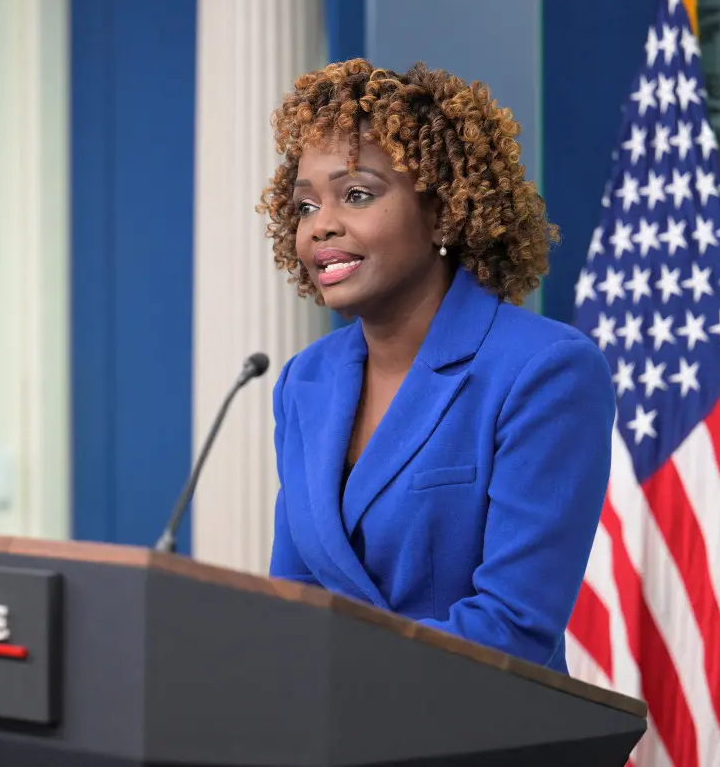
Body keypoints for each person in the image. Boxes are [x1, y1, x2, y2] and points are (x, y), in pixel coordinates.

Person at [258, 59, 616, 675]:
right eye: (306, 206)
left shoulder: (545, 371)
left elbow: (511, 628)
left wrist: (327, 672)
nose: (322, 227)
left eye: (357, 194)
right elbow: (295, 599)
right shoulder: (303, 382)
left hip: (479, 731)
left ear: (444, 212)